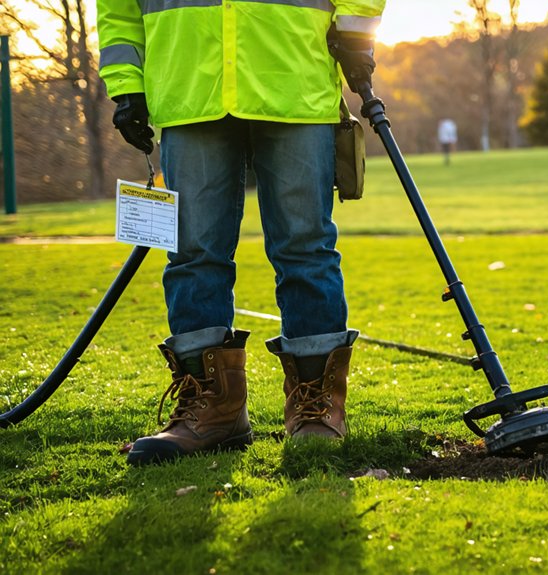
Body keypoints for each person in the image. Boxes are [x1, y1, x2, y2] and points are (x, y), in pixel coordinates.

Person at [97, 0, 386, 465]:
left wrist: (354, 34)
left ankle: (316, 407)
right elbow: (118, 7)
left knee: (305, 247)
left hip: (293, 77)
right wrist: (126, 84)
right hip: (188, 83)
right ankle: (213, 408)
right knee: (193, 253)